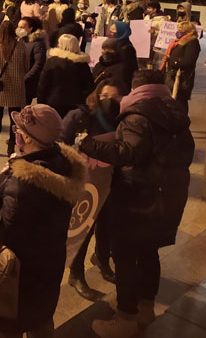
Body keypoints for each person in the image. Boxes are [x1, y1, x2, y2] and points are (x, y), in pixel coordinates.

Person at [78, 70, 194, 336]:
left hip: (138, 196)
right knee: (149, 252)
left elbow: (128, 152)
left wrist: (89, 145)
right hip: (169, 193)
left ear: (135, 89)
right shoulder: (174, 110)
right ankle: (145, 308)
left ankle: (125, 319)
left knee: (126, 257)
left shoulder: (138, 115)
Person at [0, 104, 86, 338]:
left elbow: (4, 227)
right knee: (41, 319)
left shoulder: (26, 180)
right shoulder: (64, 165)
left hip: (20, 276)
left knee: (10, 326)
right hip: (49, 266)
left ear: (25, 137)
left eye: (19, 130)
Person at [59, 80, 123, 300]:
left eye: (115, 97)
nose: (110, 101)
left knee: (107, 226)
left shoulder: (123, 119)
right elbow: (60, 145)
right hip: (86, 186)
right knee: (84, 229)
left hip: (110, 183)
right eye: (105, 96)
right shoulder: (80, 117)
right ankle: (76, 274)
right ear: (97, 95)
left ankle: (103, 260)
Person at [0, 20, 28, 156]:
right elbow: (26, 67)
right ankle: (11, 149)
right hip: (16, 87)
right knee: (14, 119)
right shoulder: (20, 45)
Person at [37, 34, 94, 119]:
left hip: (54, 101)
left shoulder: (52, 62)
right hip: (76, 103)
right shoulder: (82, 64)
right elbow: (89, 86)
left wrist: (40, 102)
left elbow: (43, 84)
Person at [161, 20, 200, 113]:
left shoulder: (192, 43)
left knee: (180, 101)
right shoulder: (179, 41)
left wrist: (172, 61)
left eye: (181, 30)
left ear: (188, 31)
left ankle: (181, 121)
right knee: (173, 99)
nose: (178, 32)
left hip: (182, 78)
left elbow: (188, 61)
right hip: (174, 75)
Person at [17, 16, 46, 105]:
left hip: (29, 82)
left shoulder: (37, 43)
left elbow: (38, 63)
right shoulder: (20, 40)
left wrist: (25, 77)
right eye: (18, 27)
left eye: (22, 27)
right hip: (19, 80)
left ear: (30, 28)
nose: (19, 29)